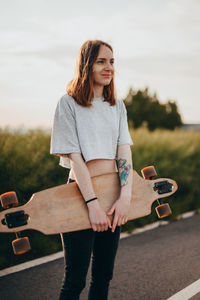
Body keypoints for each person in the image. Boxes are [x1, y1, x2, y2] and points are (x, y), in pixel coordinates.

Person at [50, 39, 134, 300]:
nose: (109, 67)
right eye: (101, 61)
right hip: (79, 195)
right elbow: (75, 157)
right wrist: (92, 204)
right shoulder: (68, 103)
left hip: (113, 196)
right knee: (75, 280)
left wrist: (125, 197)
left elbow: (124, 152)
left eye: (112, 62)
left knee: (103, 277)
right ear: (87, 64)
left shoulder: (117, 106)